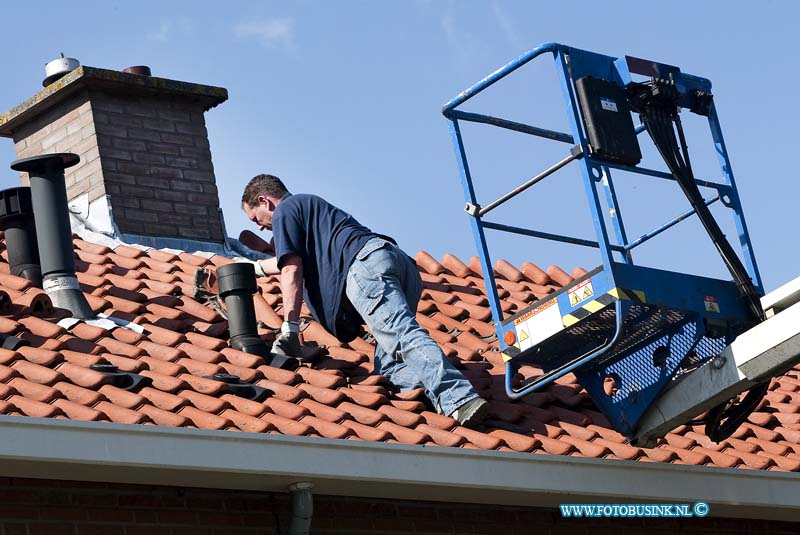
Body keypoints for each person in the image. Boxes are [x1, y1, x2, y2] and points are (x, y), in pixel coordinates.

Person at [240, 174, 489, 427]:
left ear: (265, 201)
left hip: (364, 266)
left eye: (255, 218)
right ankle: (438, 394)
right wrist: (255, 269)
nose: (260, 227)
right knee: (390, 371)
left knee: (401, 334)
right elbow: (288, 259)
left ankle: (459, 398)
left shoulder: (285, 210)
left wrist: (290, 328)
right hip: (399, 265)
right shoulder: (308, 208)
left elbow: (291, 269)